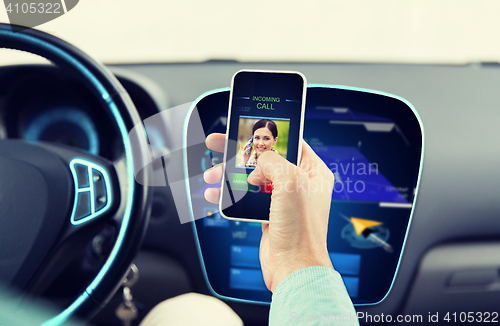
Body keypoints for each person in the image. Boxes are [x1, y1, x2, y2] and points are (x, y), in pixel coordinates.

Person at [205, 133, 359, 326]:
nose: (261, 143)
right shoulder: (248, 157)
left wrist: (294, 260)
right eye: (257, 137)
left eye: (266, 138)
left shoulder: (277, 161)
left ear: (275, 141)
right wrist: (292, 260)